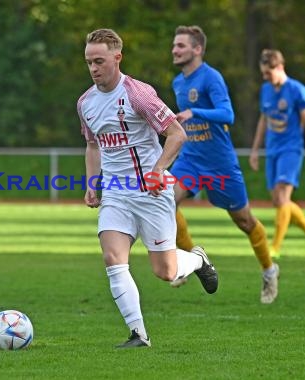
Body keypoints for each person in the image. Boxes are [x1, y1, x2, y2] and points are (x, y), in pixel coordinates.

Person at [77, 28, 218, 348]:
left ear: (117, 58)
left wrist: (158, 170)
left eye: (99, 61)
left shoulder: (138, 94)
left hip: (151, 192)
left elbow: (177, 134)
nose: (93, 68)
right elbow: (93, 146)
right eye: (88, 62)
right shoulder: (85, 103)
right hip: (115, 193)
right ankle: (138, 334)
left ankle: (197, 259)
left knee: (166, 271)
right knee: (113, 257)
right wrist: (92, 183)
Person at [169, 25, 280, 304]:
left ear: (197, 49)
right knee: (164, 202)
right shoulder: (177, 82)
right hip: (191, 161)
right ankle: (190, 261)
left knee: (245, 221)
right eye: (174, 45)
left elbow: (227, 114)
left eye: (181, 45)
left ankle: (269, 270)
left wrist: (195, 111)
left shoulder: (211, 78)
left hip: (220, 165)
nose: (174, 50)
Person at [249, 49, 305, 258]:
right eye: (263, 73)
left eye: (268, 73)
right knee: (278, 200)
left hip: (291, 149)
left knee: (283, 197)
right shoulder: (266, 90)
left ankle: (275, 247)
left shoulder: (298, 91)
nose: (265, 77)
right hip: (272, 150)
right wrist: (255, 150)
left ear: (280, 67)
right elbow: (263, 121)